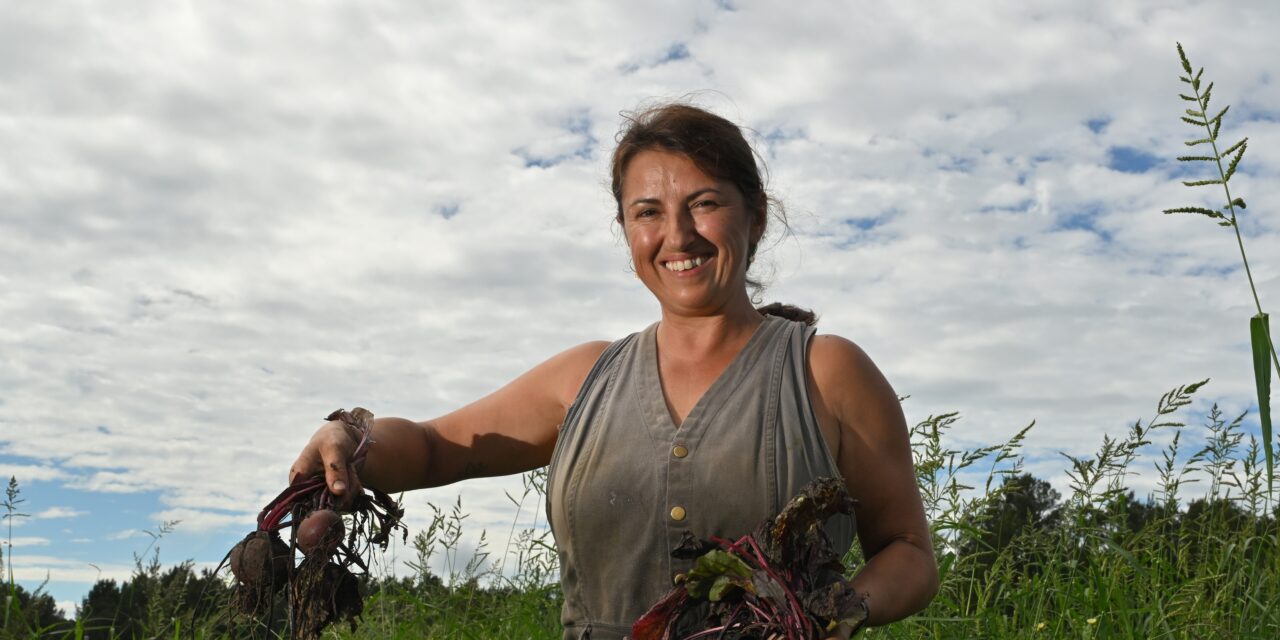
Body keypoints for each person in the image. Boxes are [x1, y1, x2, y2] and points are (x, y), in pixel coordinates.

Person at [289, 103, 939, 639]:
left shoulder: (827, 373)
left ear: (756, 215)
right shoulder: (584, 379)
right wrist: (352, 440)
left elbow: (908, 549)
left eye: (704, 203)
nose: (677, 235)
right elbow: (435, 448)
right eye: (648, 212)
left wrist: (830, 614)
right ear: (626, 229)